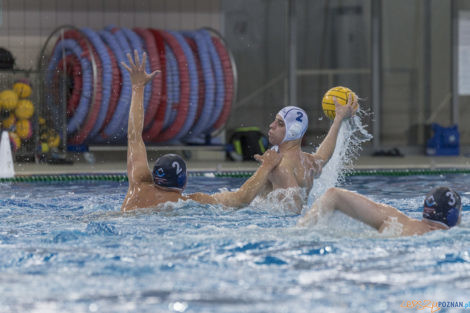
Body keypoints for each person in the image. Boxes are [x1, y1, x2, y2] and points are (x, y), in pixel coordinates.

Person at [120, 51, 282, 212]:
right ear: (183, 180)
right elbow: (241, 198)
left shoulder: (138, 186)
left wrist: (137, 87)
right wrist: (266, 166)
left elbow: (134, 135)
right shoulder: (187, 202)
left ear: (154, 175)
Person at [255, 94, 358, 213]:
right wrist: (338, 118)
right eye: (275, 121)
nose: (271, 125)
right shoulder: (308, 162)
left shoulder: (280, 167)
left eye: (280, 124)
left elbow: (293, 211)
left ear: (293, 132)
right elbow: (323, 157)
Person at [297, 186, 463, 236]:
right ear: (453, 215)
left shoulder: (394, 219)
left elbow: (334, 195)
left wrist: (299, 231)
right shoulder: (441, 237)